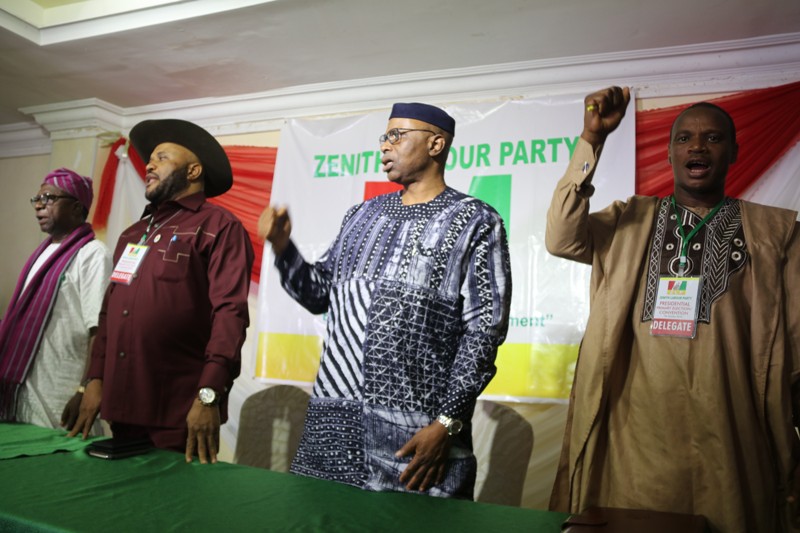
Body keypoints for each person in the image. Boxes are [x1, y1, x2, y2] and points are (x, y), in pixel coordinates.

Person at [546, 86, 800, 532]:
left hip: (731, 426)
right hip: (635, 431)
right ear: (669, 153)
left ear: (734, 151)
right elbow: (562, 237)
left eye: (712, 138)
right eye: (684, 138)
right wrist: (593, 142)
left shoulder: (772, 232)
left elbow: (794, 339)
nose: (697, 146)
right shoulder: (630, 220)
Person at [259, 102, 512, 498]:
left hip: (415, 437)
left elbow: (484, 331)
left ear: (436, 143)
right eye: (384, 136)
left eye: (397, 135)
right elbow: (318, 295)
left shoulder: (476, 220)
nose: (385, 146)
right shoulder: (360, 215)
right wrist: (281, 246)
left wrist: (446, 423)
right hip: (333, 425)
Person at [69, 119, 254, 464]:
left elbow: (230, 315)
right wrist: (94, 379)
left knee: (173, 514)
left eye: (162, 158)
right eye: (149, 159)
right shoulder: (132, 234)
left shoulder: (218, 227)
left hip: (180, 413)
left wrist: (208, 397)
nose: (149, 165)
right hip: (122, 407)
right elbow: (110, 313)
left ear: (193, 170)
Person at [0, 169, 111, 430]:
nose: (39, 204)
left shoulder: (93, 254)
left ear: (75, 207)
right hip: (22, 389)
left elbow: (99, 327)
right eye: (37, 199)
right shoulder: (42, 253)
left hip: (61, 391)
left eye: (49, 198)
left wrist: (85, 388)